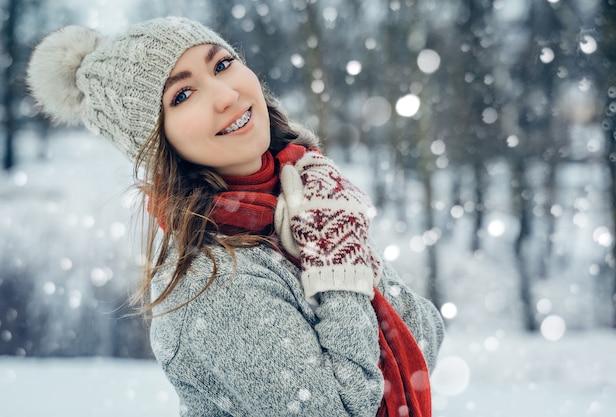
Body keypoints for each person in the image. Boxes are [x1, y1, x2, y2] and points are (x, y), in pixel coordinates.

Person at [27, 16, 445, 416]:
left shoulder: (309, 199)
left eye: (222, 65)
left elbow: (424, 335)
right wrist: (338, 266)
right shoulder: (215, 283)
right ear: (159, 145)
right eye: (182, 95)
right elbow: (348, 408)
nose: (226, 95)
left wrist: (338, 239)